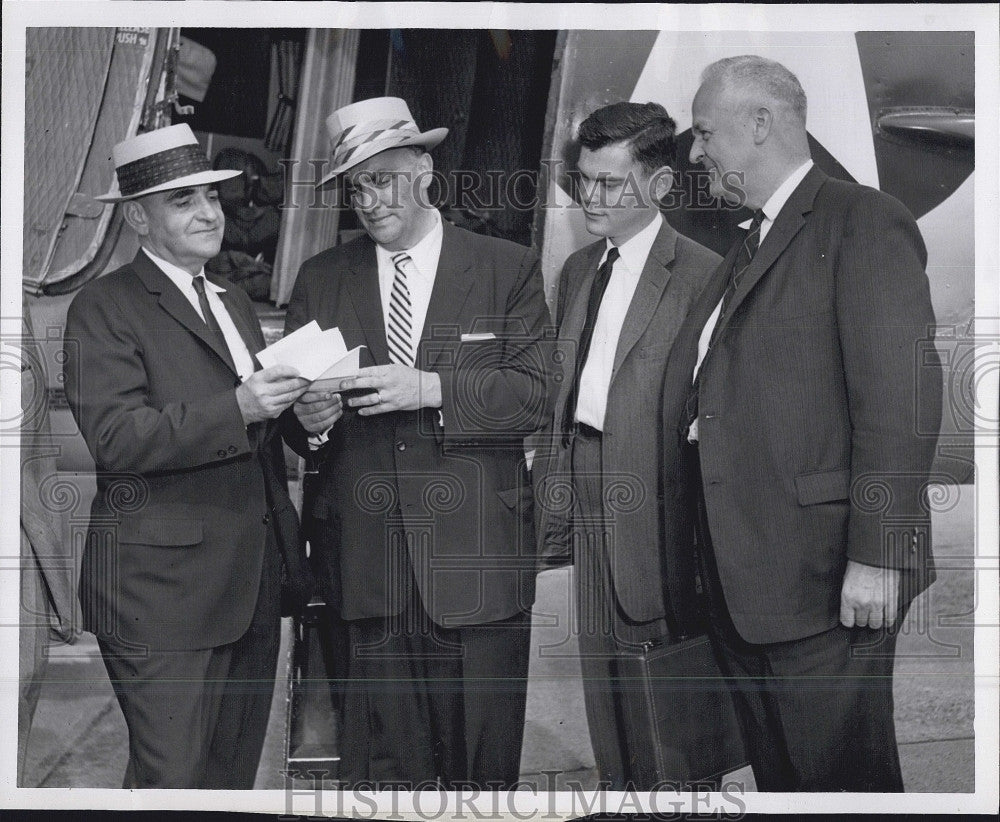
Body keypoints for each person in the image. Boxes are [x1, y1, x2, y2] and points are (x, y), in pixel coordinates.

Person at [661, 55, 942, 791]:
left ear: (761, 123)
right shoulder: (746, 245)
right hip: (751, 583)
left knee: (843, 786)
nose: (695, 153)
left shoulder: (862, 220)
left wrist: (879, 554)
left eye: (703, 133)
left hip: (825, 580)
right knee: (789, 785)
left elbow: (901, 400)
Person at [282, 97, 550, 788]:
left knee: (481, 776)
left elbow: (535, 396)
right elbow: (293, 424)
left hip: (478, 567)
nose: (370, 201)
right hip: (365, 570)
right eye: (356, 186)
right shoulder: (319, 278)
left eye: (385, 178)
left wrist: (431, 388)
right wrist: (309, 418)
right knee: (380, 776)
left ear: (425, 171)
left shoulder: (507, 269)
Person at [63, 123, 312, 789]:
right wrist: (242, 406)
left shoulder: (232, 300)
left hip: (250, 589)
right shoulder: (103, 307)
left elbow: (258, 429)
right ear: (138, 219)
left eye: (211, 196)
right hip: (160, 598)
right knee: (170, 782)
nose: (208, 213)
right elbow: (117, 437)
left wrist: (305, 419)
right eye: (183, 201)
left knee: (226, 782)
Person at [532, 102, 721, 790]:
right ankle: (622, 791)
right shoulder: (580, 268)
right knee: (601, 663)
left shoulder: (705, 275)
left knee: (663, 668)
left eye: (610, 183)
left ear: (662, 186)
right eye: (584, 180)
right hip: (583, 472)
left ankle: (680, 795)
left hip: (659, 491)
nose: (591, 198)